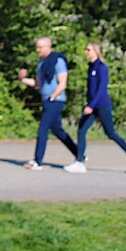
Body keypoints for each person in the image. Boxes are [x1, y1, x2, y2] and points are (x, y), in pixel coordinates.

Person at [66, 42, 126, 175]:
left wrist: (91, 105)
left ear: (95, 51)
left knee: (111, 133)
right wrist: (88, 103)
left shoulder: (102, 67)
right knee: (81, 130)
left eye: (88, 49)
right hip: (92, 106)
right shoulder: (90, 66)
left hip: (102, 105)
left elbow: (101, 89)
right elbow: (90, 89)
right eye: (86, 49)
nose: (86, 52)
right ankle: (79, 162)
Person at [17, 36, 78, 168]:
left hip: (55, 100)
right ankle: (80, 155)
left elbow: (62, 83)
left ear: (48, 47)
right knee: (58, 131)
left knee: (42, 128)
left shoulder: (58, 60)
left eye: (40, 47)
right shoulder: (41, 63)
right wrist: (22, 79)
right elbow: (37, 84)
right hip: (46, 99)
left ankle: (37, 161)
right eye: (37, 47)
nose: (37, 49)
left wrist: (53, 96)